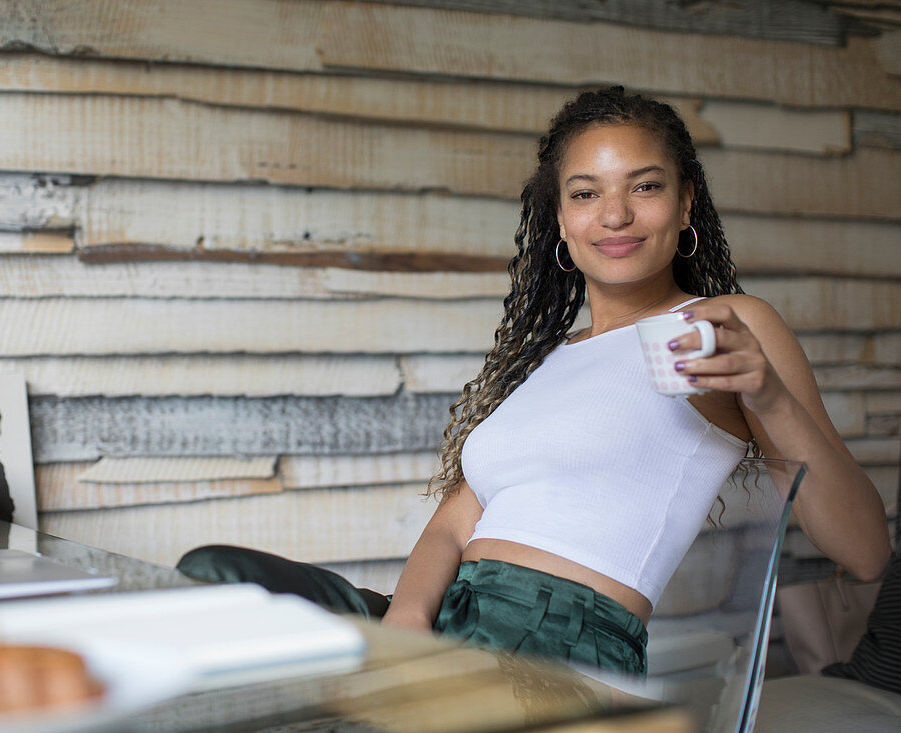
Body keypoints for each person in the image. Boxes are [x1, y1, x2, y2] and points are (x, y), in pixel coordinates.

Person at [178, 86, 890, 676]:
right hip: (444, 616)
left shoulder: (727, 323)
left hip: (559, 641)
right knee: (212, 576)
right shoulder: (553, 358)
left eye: (644, 187)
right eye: (586, 193)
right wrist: (405, 631)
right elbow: (455, 522)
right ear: (560, 218)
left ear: (684, 202)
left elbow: (864, 550)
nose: (614, 215)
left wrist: (768, 396)